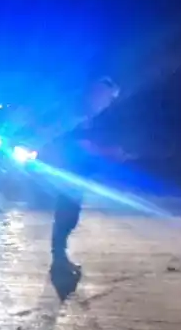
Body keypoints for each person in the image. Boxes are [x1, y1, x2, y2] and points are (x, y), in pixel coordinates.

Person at [45, 75, 126, 267]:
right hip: (67, 172)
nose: (106, 102)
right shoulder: (77, 116)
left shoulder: (94, 117)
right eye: (104, 96)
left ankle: (60, 254)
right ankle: (59, 256)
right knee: (67, 213)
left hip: (76, 172)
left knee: (70, 213)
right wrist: (105, 151)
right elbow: (75, 143)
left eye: (109, 98)